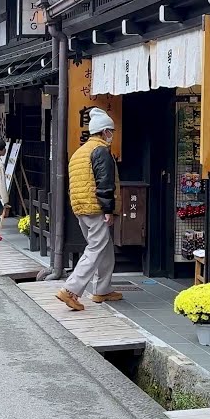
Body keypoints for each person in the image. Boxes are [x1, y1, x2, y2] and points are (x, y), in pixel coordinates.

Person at [56, 108, 122, 311]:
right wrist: (108, 209)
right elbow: (104, 182)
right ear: (104, 132)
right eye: (111, 131)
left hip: (80, 207)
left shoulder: (79, 152)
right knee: (95, 248)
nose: (112, 135)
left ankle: (102, 289)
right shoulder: (100, 151)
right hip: (96, 208)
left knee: (105, 248)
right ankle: (71, 290)